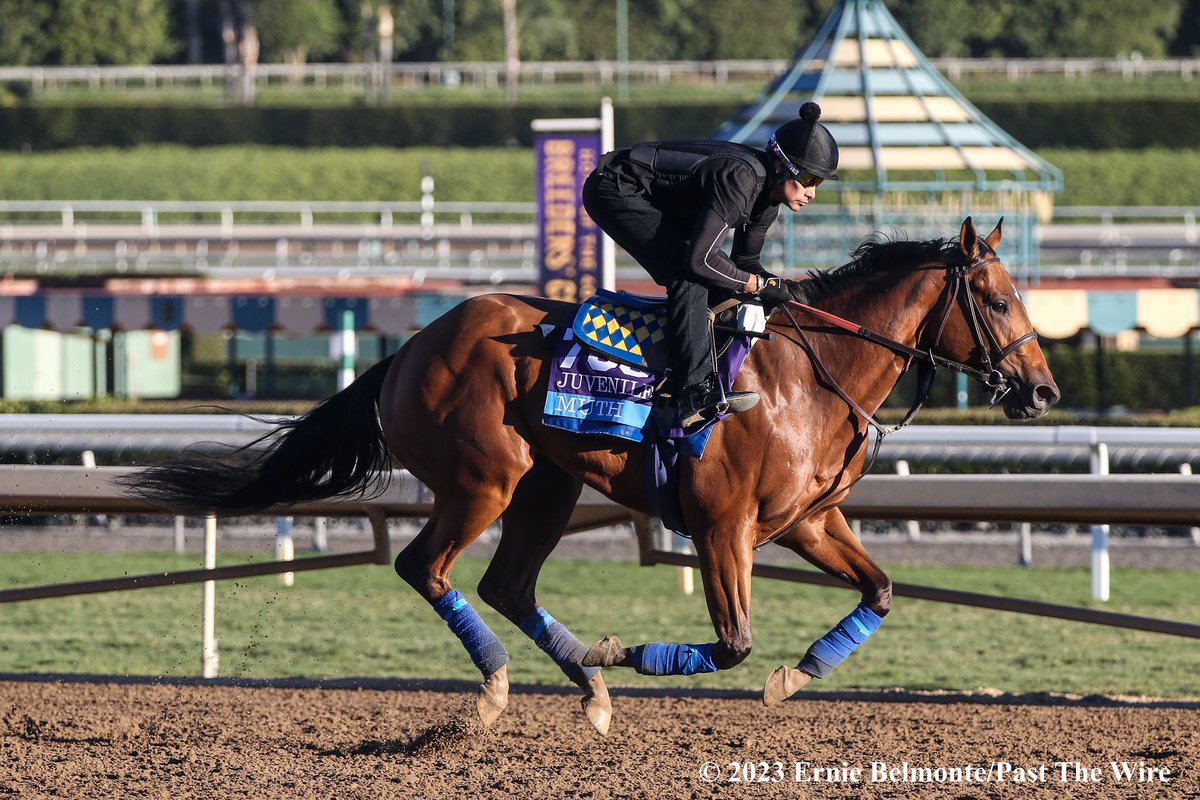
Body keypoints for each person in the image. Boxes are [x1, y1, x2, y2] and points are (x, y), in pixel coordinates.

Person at [581, 101, 840, 430]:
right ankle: (692, 393)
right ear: (781, 166)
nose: (812, 192)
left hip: (651, 196)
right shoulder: (740, 180)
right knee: (688, 275)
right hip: (613, 188)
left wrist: (782, 287)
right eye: (808, 178)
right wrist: (758, 286)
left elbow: (745, 263)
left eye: (819, 182)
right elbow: (700, 261)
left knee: (721, 278)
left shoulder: (768, 202)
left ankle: (707, 363)